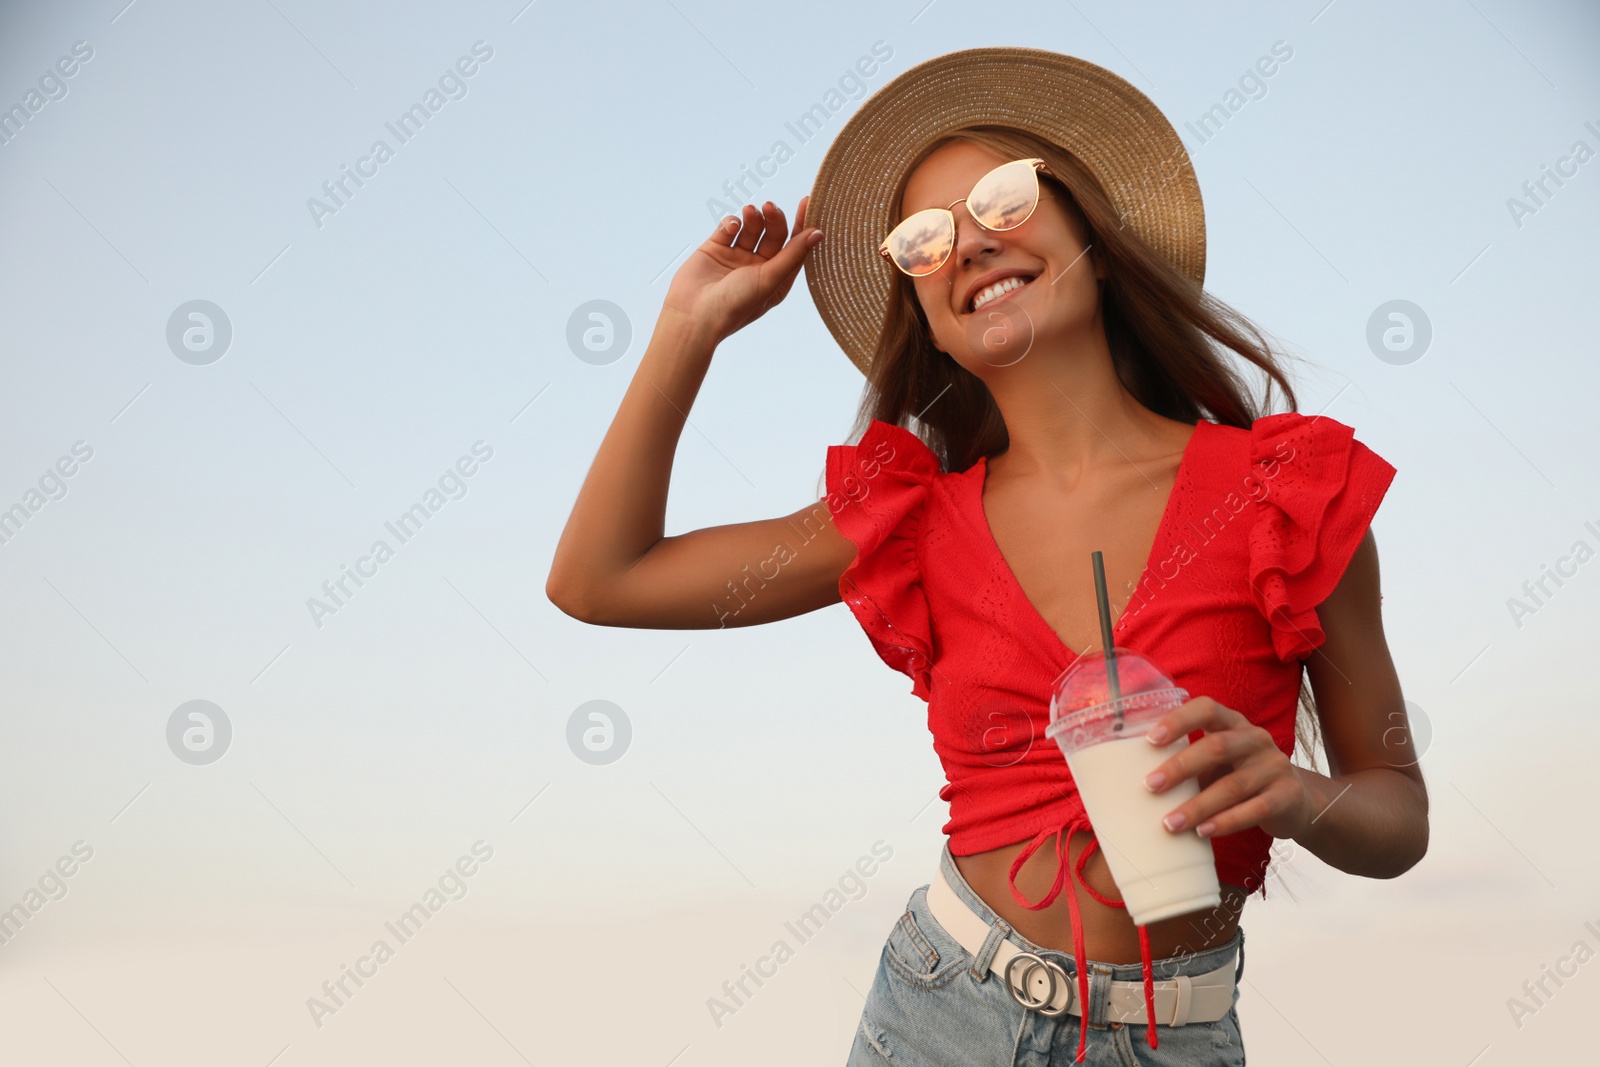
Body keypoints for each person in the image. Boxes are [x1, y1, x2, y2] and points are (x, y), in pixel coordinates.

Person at [547, 47, 1428, 1067]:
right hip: (940, 1015)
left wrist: (1290, 790)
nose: (966, 243)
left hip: (1175, 1036)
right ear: (923, 315)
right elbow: (597, 578)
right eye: (921, 240)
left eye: (1003, 202)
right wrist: (686, 329)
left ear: (1091, 236)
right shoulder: (907, 522)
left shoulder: (1285, 493)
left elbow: (1395, 812)